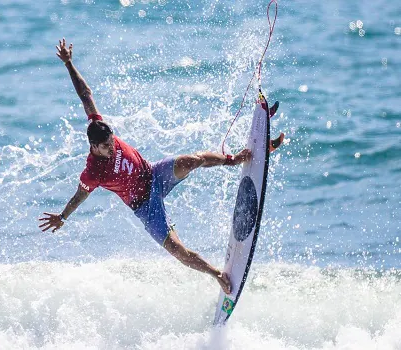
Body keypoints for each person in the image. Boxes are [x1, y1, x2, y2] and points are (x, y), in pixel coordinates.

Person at [39, 38, 263, 295]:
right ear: (94, 147)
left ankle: (233, 160)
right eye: (107, 147)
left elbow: (85, 94)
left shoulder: (98, 124)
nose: (112, 148)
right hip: (145, 205)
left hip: (155, 174)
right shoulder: (93, 172)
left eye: (113, 142)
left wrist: (69, 63)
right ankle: (216, 275)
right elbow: (80, 195)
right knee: (178, 250)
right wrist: (63, 216)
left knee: (193, 160)